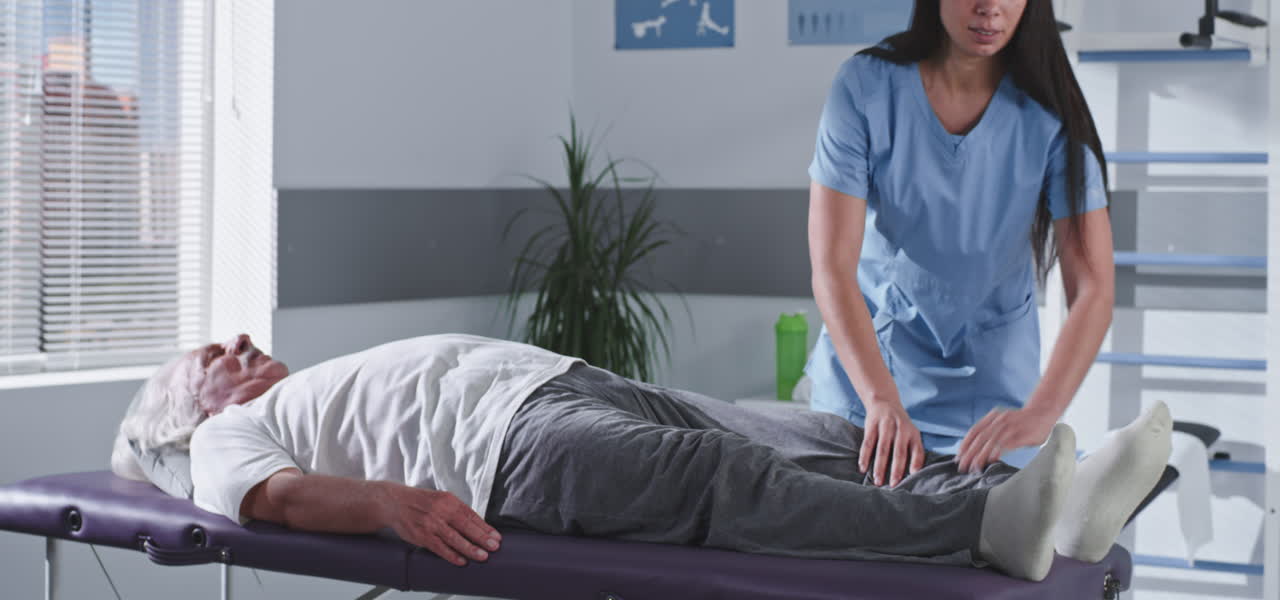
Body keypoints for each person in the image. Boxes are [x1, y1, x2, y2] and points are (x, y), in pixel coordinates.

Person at [112, 332, 1171, 583]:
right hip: (511, 452)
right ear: (184, 408)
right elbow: (270, 499)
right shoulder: (215, 437)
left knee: (810, 434)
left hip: (566, 384)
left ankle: (1057, 503)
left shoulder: (305, 382)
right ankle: (984, 528)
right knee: (729, 486)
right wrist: (393, 505)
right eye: (217, 354)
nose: (242, 345)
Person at [806, 0, 1115, 489]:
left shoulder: (1050, 111)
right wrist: (880, 400)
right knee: (859, 538)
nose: (989, 7)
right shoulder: (865, 88)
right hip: (870, 387)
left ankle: (1082, 491)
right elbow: (831, 268)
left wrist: (1041, 414)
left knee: (987, 533)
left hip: (994, 403)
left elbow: (1094, 285)